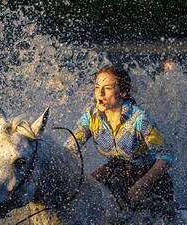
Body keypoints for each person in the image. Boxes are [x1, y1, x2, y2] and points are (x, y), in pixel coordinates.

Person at [67, 64, 175, 215]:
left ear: (123, 92)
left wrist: (141, 186)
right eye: (97, 87)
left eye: (108, 88)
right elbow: (69, 149)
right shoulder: (91, 118)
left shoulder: (140, 119)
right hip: (115, 172)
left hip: (148, 179)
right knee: (82, 193)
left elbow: (165, 157)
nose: (100, 93)